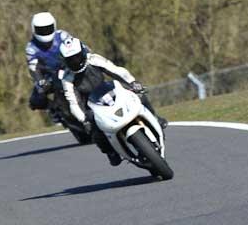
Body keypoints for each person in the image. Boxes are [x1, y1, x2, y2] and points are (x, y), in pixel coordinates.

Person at [58, 37, 168, 166]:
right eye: (71, 59)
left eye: (77, 57)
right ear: (65, 61)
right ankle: (110, 152)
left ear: (83, 52)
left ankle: (155, 117)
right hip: (91, 104)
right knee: (94, 130)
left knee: (138, 95)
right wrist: (84, 119)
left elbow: (116, 70)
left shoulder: (94, 59)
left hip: (110, 91)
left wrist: (132, 82)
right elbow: (73, 103)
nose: (75, 61)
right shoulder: (67, 79)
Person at [25, 12, 83, 114]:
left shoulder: (62, 36)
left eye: (48, 29)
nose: (45, 32)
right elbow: (33, 68)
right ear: (34, 29)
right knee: (35, 100)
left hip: (70, 69)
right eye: (41, 30)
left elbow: (79, 47)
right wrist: (40, 81)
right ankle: (54, 110)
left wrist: (86, 55)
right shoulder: (31, 47)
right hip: (50, 77)